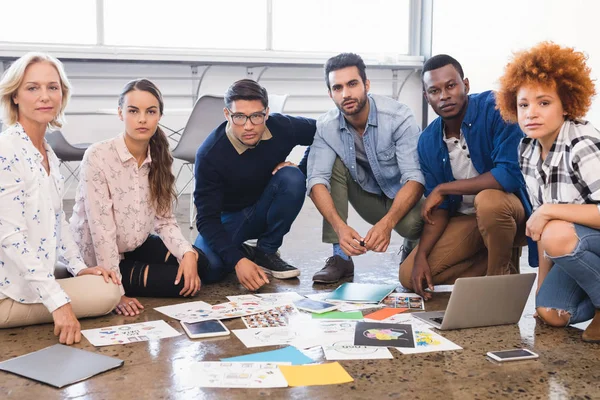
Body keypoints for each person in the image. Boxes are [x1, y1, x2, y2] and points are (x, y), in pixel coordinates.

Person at [0, 52, 120, 344]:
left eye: (52, 87)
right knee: (109, 293)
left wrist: (79, 266)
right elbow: (10, 236)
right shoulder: (7, 149)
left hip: (26, 272)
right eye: (32, 88)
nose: (45, 96)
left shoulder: (46, 152)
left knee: (100, 280)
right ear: (14, 96)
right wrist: (59, 303)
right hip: (6, 290)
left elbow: (57, 218)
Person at [399, 54, 537, 299]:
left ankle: (497, 284)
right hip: (467, 220)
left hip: (508, 213)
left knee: (489, 201)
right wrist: (420, 256)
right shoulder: (428, 141)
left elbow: (508, 175)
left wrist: (444, 188)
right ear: (426, 97)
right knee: (410, 276)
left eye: (451, 86)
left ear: (466, 85)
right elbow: (439, 209)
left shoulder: (496, 109)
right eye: (434, 90)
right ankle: (494, 259)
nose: (444, 96)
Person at [70, 78, 204, 317]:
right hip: (97, 258)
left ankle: (144, 269)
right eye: (133, 111)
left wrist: (187, 253)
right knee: (182, 283)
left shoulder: (160, 157)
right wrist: (116, 293)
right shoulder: (98, 156)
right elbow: (102, 231)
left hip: (135, 245)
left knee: (199, 265)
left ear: (159, 116)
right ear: (120, 113)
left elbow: (164, 221)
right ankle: (121, 278)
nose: (142, 119)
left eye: (150, 111)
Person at [497, 42, 600, 342]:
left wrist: (548, 211)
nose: (531, 113)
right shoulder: (526, 149)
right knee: (551, 313)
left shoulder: (583, 144)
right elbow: (541, 228)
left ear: (566, 104)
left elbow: (549, 221)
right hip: (577, 245)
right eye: (524, 104)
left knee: (556, 231)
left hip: (581, 239)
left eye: (544, 103)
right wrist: (542, 289)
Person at [307, 52, 424, 283]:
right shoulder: (326, 126)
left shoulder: (399, 117)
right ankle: (340, 258)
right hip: (366, 194)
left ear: (366, 84)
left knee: (414, 227)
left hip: (401, 196)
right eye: (337, 88)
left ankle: (412, 247)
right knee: (331, 166)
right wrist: (340, 228)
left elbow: (415, 178)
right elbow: (316, 180)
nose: (346, 94)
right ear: (330, 94)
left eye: (352, 84)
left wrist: (387, 224)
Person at [193, 79, 316, 291]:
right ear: (227, 115)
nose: (248, 126)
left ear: (266, 113)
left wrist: (302, 171)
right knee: (209, 269)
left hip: (265, 206)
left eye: (256, 116)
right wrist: (237, 261)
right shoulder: (209, 155)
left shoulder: (281, 126)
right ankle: (246, 252)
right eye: (239, 117)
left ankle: (266, 250)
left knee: (291, 177)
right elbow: (206, 219)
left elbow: (324, 132)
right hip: (229, 218)